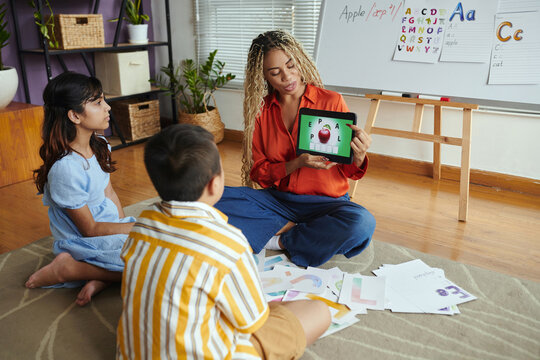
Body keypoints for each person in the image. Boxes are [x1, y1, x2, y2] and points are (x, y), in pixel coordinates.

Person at [117, 124, 331, 360]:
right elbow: (252, 321)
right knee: (318, 311)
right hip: (216, 350)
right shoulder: (228, 243)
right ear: (214, 184)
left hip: (132, 354)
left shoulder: (142, 225)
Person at [215, 29, 376, 267]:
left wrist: (359, 156)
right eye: (275, 72)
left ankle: (280, 241)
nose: (287, 77)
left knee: (361, 223)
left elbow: (349, 170)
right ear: (264, 76)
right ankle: (302, 232)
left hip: (328, 203)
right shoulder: (261, 112)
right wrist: (295, 163)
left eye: (291, 66)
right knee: (210, 197)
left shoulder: (331, 101)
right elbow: (259, 173)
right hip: (279, 201)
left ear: (300, 60)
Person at [25, 72, 136, 306]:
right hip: (81, 239)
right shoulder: (66, 168)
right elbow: (90, 229)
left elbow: (110, 194)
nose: (107, 107)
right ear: (74, 115)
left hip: (104, 229)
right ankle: (69, 269)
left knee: (156, 248)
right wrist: (132, 231)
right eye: (98, 103)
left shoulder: (100, 145)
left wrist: (125, 229)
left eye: (104, 100)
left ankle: (97, 276)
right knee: (148, 266)